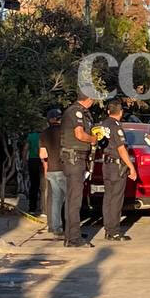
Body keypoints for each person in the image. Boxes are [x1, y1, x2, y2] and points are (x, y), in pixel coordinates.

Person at [96, 99, 138, 241]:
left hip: (106, 165)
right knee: (116, 199)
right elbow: (121, 148)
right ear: (121, 112)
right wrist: (131, 167)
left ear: (108, 111)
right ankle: (114, 231)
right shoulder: (116, 126)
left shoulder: (103, 125)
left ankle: (108, 229)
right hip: (117, 166)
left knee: (108, 198)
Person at [59, 92, 97, 247]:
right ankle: (73, 238)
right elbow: (79, 134)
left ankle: (71, 234)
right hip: (74, 158)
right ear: (88, 99)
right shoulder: (76, 111)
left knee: (73, 198)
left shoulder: (79, 112)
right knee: (74, 199)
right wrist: (93, 139)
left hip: (75, 158)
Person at [38, 108, 65, 238]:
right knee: (69, 200)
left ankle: (55, 227)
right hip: (64, 169)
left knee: (55, 199)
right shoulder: (65, 132)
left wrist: (46, 170)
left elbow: (43, 155)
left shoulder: (44, 133)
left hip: (51, 169)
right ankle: (69, 227)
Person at [25, 129, 42, 213]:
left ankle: (32, 208)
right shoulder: (44, 135)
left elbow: (25, 149)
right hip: (42, 160)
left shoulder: (31, 136)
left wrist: (24, 161)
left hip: (32, 161)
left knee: (34, 185)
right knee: (43, 185)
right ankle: (43, 208)